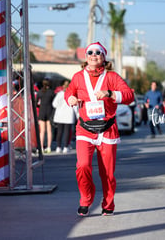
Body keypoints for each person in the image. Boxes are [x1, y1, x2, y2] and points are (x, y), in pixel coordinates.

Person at [65, 42, 134, 217]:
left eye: (98, 52)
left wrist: (110, 93)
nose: (93, 55)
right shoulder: (78, 77)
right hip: (85, 129)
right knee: (82, 166)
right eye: (90, 52)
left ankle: (108, 204)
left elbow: (129, 96)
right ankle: (86, 199)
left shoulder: (112, 77)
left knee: (107, 174)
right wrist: (71, 98)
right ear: (86, 56)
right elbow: (68, 93)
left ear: (103, 57)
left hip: (107, 130)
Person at [52, 79, 75, 153]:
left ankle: (58, 147)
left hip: (60, 115)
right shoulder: (72, 94)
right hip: (69, 115)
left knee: (59, 131)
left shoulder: (59, 94)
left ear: (62, 86)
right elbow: (75, 106)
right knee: (67, 132)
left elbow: (54, 104)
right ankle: (66, 147)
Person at [36, 78, 55, 153]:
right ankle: (49, 147)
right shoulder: (51, 92)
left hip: (42, 112)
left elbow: (36, 103)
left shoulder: (40, 92)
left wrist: (39, 106)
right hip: (50, 111)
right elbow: (54, 103)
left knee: (42, 131)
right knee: (49, 131)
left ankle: (41, 147)